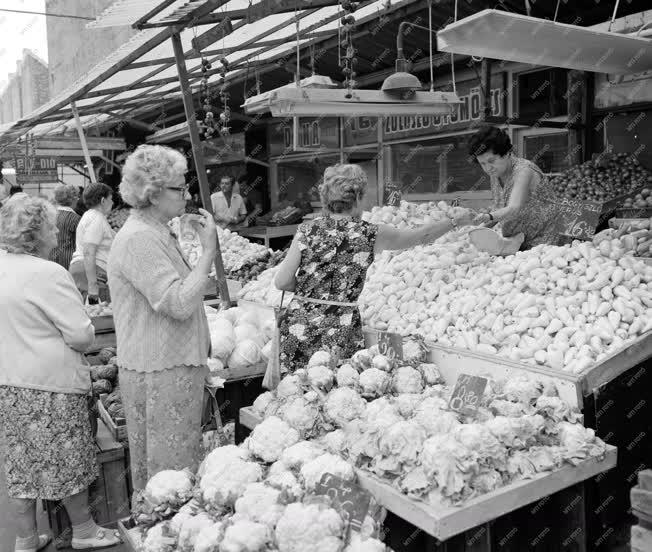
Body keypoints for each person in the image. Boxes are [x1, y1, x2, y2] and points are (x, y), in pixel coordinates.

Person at [0, 196, 121, 552]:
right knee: (67, 459)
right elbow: (82, 336)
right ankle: (83, 531)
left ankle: (25, 540)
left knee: (21, 464)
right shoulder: (49, 273)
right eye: (51, 224)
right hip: (52, 384)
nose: (57, 230)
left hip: (9, 383)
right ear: (35, 233)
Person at [274, 163, 472, 372]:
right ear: (358, 197)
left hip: (298, 325)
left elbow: (281, 281)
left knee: (297, 390)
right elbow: (418, 237)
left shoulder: (306, 230)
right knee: (334, 388)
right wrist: (454, 221)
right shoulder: (369, 233)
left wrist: (311, 291)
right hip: (338, 327)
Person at [107, 144, 214, 492]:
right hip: (161, 371)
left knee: (172, 467)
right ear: (152, 193)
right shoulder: (139, 238)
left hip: (169, 366)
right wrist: (209, 250)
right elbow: (179, 303)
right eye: (179, 188)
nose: (187, 194)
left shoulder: (155, 230)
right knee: (168, 473)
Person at [468, 125, 560, 250]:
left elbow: (513, 207)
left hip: (545, 245)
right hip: (517, 244)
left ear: (506, 153)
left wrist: (488, 217)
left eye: (491, 161)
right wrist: (475, 230)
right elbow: (502, 208)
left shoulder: (524, 171)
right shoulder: (495, 173)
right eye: (482, 163)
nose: (488, 168)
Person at [69, 183, 115, 303]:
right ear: (103, 200)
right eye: (111, 199)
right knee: (99, 315)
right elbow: (89, 251)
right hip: (92, 272)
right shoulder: (97, 219)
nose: (113, 203)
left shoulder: (89, 215)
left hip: (84, 270)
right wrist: (93, 285)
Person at [48, 184, 81, 269]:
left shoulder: (50, 216)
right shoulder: (76, 219)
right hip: (68, 262)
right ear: (73, 199)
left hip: (50, 259)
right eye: (77, 197)